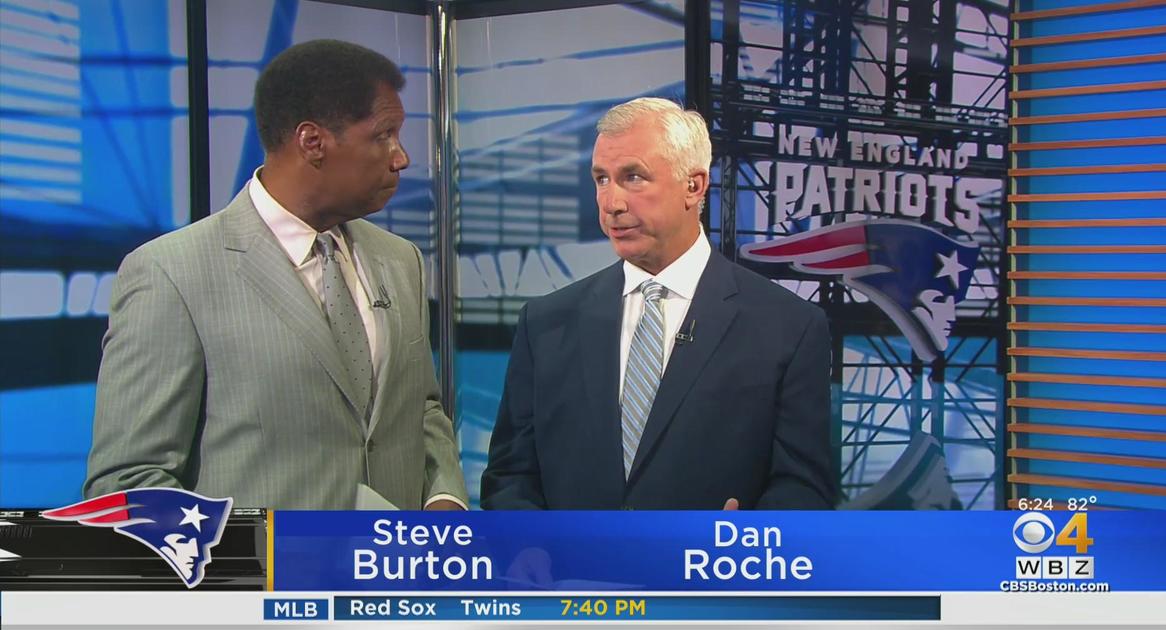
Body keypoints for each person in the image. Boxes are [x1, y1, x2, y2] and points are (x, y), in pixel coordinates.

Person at [84, 40, 467, 510]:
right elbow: (128, 481)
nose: (400, 158)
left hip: (395, 573)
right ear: (313, 142)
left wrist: (444, 497)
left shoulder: (400, 260)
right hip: (260, 580)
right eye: (383, 135)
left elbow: (420, 409)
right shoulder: (172, 274)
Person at [481, 98, 836, 510]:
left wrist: (744, 546)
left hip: (706, 570)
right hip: (567, 573)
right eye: (601, 179)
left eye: (633, 177)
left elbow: (804, 486)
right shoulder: (545, 323)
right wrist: (533, 552)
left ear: (694, 185)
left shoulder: (787, 327)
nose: (611, 203)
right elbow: (510, 475)